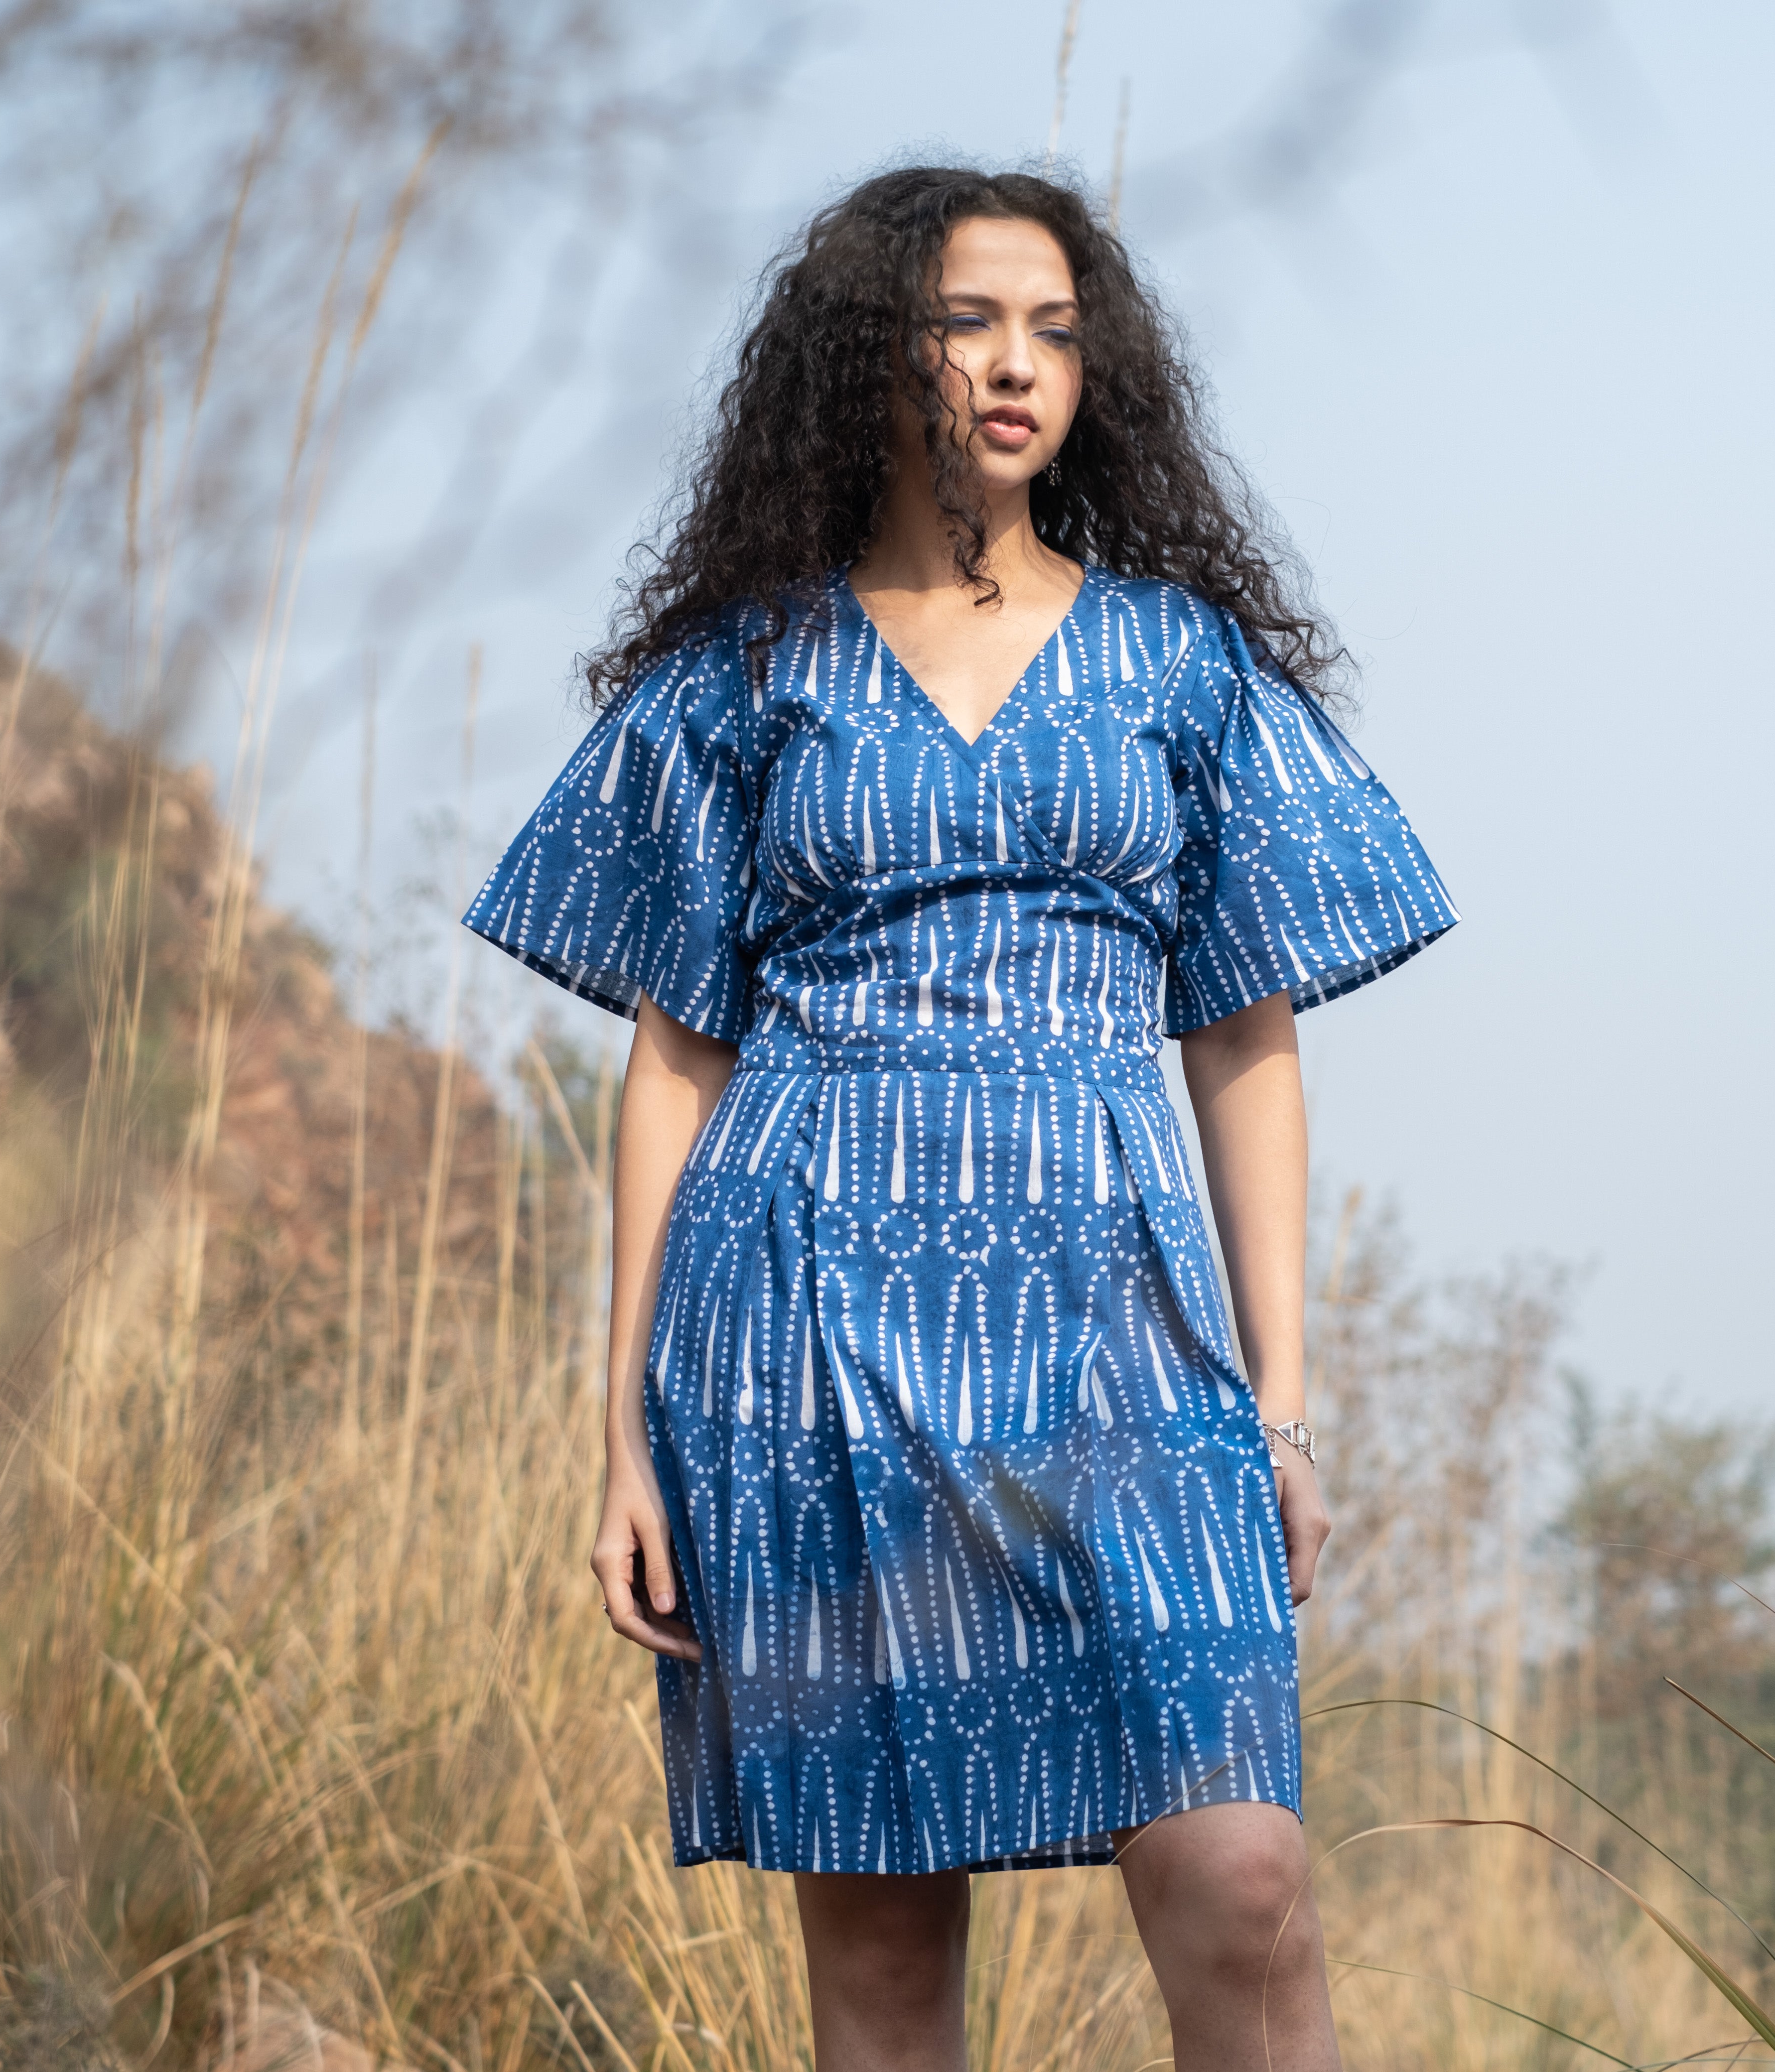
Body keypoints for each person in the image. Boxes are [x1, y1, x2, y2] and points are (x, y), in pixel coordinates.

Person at [464, 163, 1456, 2072]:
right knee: (889, 1962)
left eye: (1061, 334)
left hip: (1124, 1335)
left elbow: (1248, 1039)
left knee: (1246, 1881)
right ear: (871, 351)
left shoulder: (1183, 664)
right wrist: (622, 1442)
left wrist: (1282, 1403)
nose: (1021, 367)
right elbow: (676, 1060)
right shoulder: (744, 673)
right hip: (810, 1327)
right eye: (973, 320)